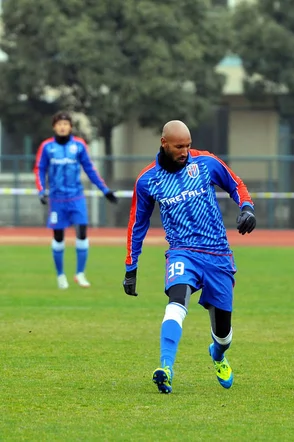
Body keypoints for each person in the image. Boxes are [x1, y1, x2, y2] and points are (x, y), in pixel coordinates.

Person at [122, 120, 256, 394]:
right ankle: (166, 368)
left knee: (223, 334)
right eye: (179, 146)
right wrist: (131, 267)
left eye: (188, 145)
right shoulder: (148, 180)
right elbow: (138, 224)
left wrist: (247, 208)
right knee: (176, 301)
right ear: (164, 144)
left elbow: (236, 184)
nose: (185, 151)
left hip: (218, 255)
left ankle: (217, 354)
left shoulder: (205, 162)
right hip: (182, 252)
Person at [33, 111, 118, 289]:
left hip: (76, 197)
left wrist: (105, 190)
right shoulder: (47, 147)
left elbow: (90, 169)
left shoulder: (79, 145)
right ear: (54, 127)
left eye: (66, 124)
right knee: (58, 236)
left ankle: (80, 273)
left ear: (70, 127)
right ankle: (60, 276)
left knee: (82, 232)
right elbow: (40, 169)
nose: (63, 127)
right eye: (59, 124)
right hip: (57, 199)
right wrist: (42, 190)